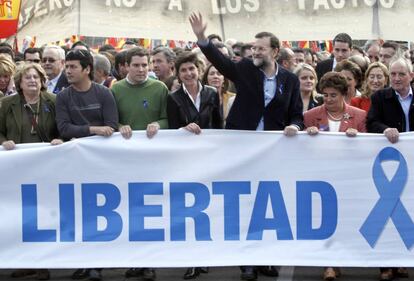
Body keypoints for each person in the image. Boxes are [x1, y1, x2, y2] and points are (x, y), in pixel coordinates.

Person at [189, 12, 303, 281]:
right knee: (246, 205)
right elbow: (220, 60)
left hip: (274, 151)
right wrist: (202, 38)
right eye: (253, 47)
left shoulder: (290, 80)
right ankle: (247, 262)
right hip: (242, 149)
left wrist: (295, 127)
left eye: (260, 48)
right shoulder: (243, 70)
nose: (255, 51)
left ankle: (266, 258)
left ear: (274, 51)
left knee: (270, 207)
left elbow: (296, 113)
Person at [56, 49, 119, 281]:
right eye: (67, 66)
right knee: (77, 215)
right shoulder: (63, 96)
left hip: (101, 165)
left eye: (73, 67)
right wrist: (93, 130)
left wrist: (86, 133)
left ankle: (96, 264)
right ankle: (81, 261)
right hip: (74, 165)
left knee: (97, 216)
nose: (68, 71)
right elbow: (63, 128)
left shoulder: (103, 93)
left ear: (87, 69)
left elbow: (111, 125)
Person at [1, 63, 63, 280]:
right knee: (21, 215)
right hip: (17, 169)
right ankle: (24, 261)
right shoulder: (7, 104)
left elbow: (64, 128)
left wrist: (60, 139)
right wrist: (4, 141)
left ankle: (43, 263)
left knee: (43, 216)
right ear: (19, 82)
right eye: (27, 77)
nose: (32, 80)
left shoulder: (54, 102)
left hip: (46, 168)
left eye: (36, 77)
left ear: (42, 81)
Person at [367, 57, 413, 280]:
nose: (396, 78)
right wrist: (385, 129)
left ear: (410, 76)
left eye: (401, 74)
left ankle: (403, 260)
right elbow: (371, 122)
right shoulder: (380, 97)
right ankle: (385, 264)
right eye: (393, 74)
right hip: (389, 163)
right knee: (388, 213)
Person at [112, 46, 169, 141]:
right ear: (127, 66)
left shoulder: (160, 88)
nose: (141, 69)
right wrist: (120, 127)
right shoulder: (115, 89)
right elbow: (111, 121)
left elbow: (169, 118)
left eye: (144, 65)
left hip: (154, 143)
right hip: (126, 144)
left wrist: (158, 124)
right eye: (136, 65)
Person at [168, 51, 223, 134]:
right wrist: (184, 129)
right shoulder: (173, 98)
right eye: (183, 70)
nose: (188, 73)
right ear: (178, 74)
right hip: (186, 143)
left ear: (198, 69)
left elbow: (218, 124)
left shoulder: (212, 93)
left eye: (191, 68)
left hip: (209, 142)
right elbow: (172, 128)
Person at [305, 71, 366, 136]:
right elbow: (302, 141)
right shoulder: (310, 116)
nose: (328, 99)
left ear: (343, 94)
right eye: (325, 95)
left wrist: (358, 135)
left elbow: (366, 142)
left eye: (333, 95)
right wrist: (307, 133)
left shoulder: (360, 116)